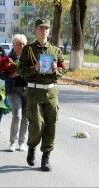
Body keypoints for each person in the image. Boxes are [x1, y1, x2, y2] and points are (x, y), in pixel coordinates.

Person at [18, 19, 66, 171]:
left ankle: (46, 157)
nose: (44, 31)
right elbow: (21, 71)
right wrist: (34, 68)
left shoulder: (56, 50)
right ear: (35, 30)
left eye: (47, 28)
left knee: (51, 125)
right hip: (34, 92)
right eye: (41, 28)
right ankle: (32, 148)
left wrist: (55, 71)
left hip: (51, 92)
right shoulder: (28, 50)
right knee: (37, 124)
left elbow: (63, 70)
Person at [4, 34, 28, 152]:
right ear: (14, 45)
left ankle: (22, 142)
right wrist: (15, 74)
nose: (22, 46)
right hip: (14, 90)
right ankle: (12, 142)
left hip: (27, 90)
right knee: (17, 115)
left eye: (24, 44)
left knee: (26, 118)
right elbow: (3, 75)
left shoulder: (29, 57)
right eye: (19, 44)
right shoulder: (9, 58)